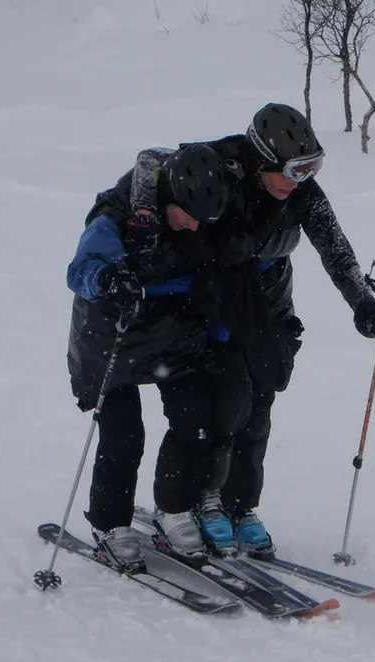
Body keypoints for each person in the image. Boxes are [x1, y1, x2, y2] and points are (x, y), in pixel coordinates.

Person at [128, 103, 375, 557]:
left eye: (311, 168)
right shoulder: (227, 161)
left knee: (257, 408)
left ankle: (241, 506)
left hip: (269, 305)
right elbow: (151, 159)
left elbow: (337, 252)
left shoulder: (303, 194)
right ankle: (199, 500)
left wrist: (364, 307)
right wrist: (143, 211)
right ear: (261, 159)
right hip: (215, 299)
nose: (299, 180)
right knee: (218, 408)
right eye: (293, 170)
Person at [66, 143, 250, 572]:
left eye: (202, 220)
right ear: (169, 196)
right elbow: (80, 270)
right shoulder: (117, 216)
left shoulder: (203, 220)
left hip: (173, 336)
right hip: (113, 336)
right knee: (124, 434)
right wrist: (109, 278)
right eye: (186, 215)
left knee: (195, 418)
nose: (192, 227)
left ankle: (175, 507)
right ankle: (110, 524)